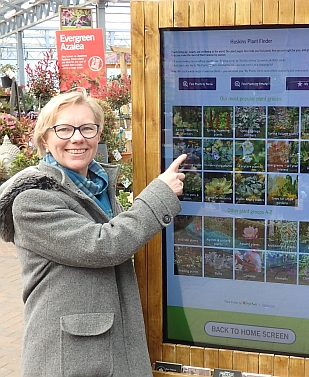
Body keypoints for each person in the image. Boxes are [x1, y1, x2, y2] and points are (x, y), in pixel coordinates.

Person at [0, 90, 186, 376]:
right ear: (44, 139)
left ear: (98, 135)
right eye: (63, 129)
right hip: (69, 357)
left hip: (108, 348)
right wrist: (159, 195)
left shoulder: (96, 185)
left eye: (87, 128)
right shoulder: (33, 200)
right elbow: (102, 245)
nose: (77, 138)